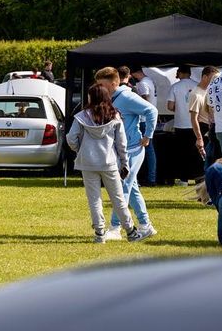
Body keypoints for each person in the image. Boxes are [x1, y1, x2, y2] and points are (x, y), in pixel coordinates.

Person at [66, 83, 147, 243]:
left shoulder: (81, 116)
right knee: (118, 198)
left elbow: (71, 138)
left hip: (88, 163)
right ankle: (130, 231)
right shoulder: (115, 116)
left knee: (94, 199)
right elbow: (121, 144)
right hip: (110, 162)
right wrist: (124, 163)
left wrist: (80, 150)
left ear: (91, 97)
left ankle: (99, 233)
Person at [95, 66, 158, 240]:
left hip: (132, 150)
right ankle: (146, 225)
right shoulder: (111, 98)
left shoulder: (127, 97)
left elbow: (152, 111)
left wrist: (148, 136)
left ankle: (115, 228)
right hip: (123, 151)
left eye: (102, 84)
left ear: (113, 83)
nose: (99, 88)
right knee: (132, 188)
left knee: (122, 189)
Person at [166, 64, 199, 182]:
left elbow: (170, 106)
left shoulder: (175, 86)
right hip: (196, 124)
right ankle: (198, 177)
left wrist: (179, 109)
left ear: (179, 73)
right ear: (190, 73)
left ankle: (183, 179)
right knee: (196, 152)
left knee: (182, 152)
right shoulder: (197, 86)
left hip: (180, 124)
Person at [130, 66, 158, 185]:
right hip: (149, 119)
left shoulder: (142, 83)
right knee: (150, 149)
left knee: (144, 149)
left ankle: (149, 178)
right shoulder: (150, 80)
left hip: (143, 119)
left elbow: (144, 100)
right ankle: (151, 177)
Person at [191, 66, 220, 169]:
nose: (215, 81)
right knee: (210, 160)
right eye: (213, 78)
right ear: (204, 77)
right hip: (204, 129)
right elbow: (194, 118)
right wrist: (199, 139)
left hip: (212, 128)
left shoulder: (209, 91)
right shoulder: (196, 94)